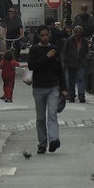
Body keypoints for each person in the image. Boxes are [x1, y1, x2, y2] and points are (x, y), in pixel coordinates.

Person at [27, 25, 66, 154]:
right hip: (39, 87)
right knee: (40, 117)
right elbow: (32, 66)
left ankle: (54, 139)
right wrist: (46, 57)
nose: (45, 37)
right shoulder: (34, 50)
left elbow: (60, 69)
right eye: (42, 35)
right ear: (39, 36)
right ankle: (42, 143)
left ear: (49, 35)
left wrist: (64, 88)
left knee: (52, 114)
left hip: (53, 86)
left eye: (46, 35)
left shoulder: (54, 49)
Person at [62, 25, 89, 103]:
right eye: (77, 32)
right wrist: (64, 61)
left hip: (81, 62)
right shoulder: (69, 40)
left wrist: (86, 58)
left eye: (80, 32)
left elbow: (88, 51)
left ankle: (81, 96)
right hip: (71, 62)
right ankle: (71, 95)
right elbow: (64, 51)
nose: (78, 34)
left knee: (81, 79)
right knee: (71, 80)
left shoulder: (84, 41)